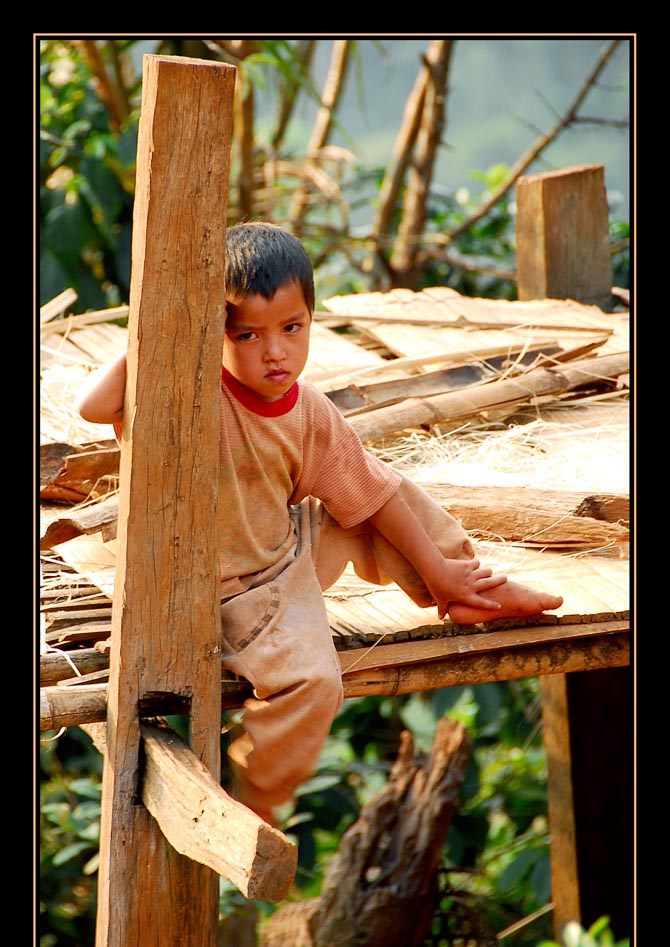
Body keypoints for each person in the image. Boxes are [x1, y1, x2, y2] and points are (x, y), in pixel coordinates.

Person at [76, 221, 562, 826]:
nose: (274, 351)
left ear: (311, 318)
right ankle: (260, 793)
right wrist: (163, 324)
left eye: (291, 328)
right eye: (247, 334)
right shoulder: (184, 389)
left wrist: (438, 570)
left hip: (281, 556)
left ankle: (466, 585)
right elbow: (93, 407)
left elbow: (373, 499)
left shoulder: (309, 412)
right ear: (212, 332)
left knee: (387, 488)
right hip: (217, 596)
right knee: (316, 683)